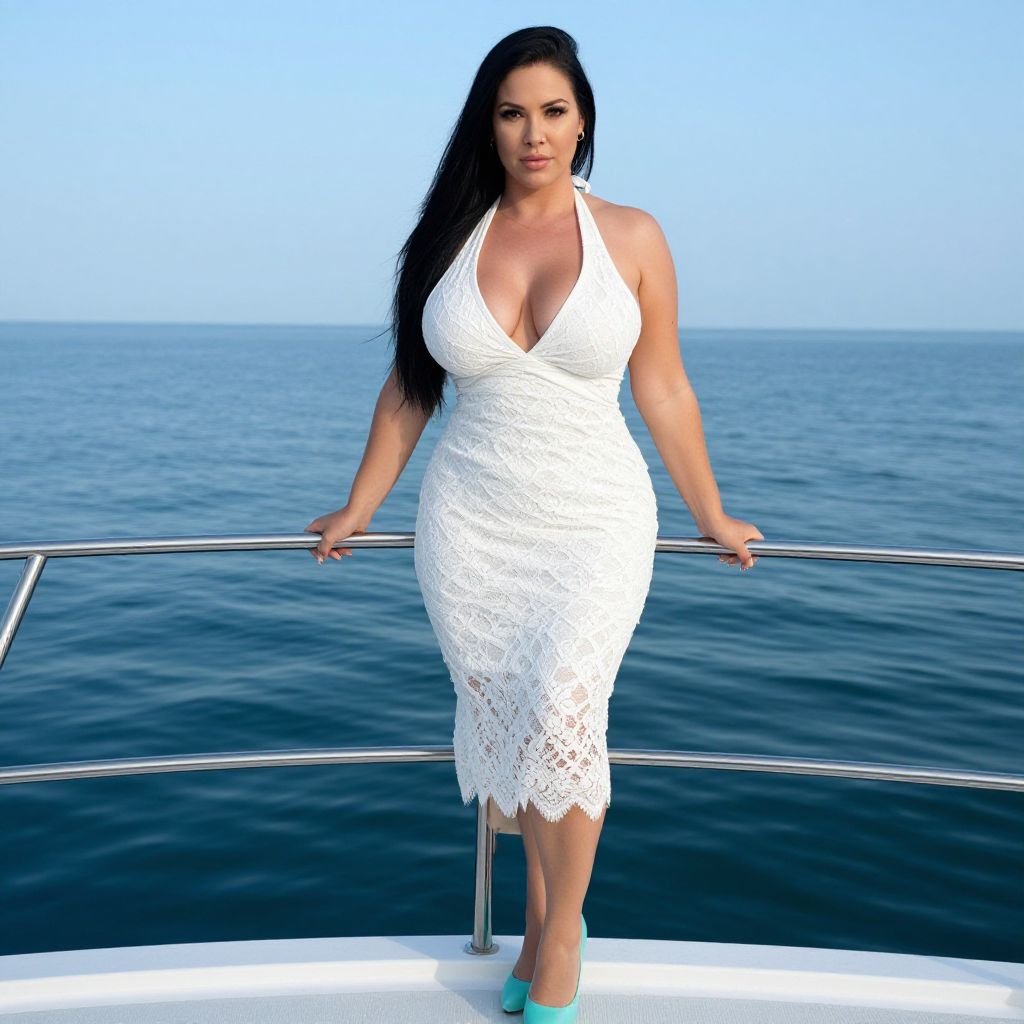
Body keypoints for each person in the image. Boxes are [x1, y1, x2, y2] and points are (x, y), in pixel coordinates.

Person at [304, 25, 762, 1022]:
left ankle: (558, 939)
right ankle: (537, 923)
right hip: (470, 525)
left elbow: (666, 388)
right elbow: (406, 393)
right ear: (488, 123)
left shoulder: (631, 237)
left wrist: (710, 510)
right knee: (515, 740)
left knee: (562, 708)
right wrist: (361, 504)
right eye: (511, 112)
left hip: (595, 515)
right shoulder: (448, 240)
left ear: (583, 117)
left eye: (552, 110)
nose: (533, 132)